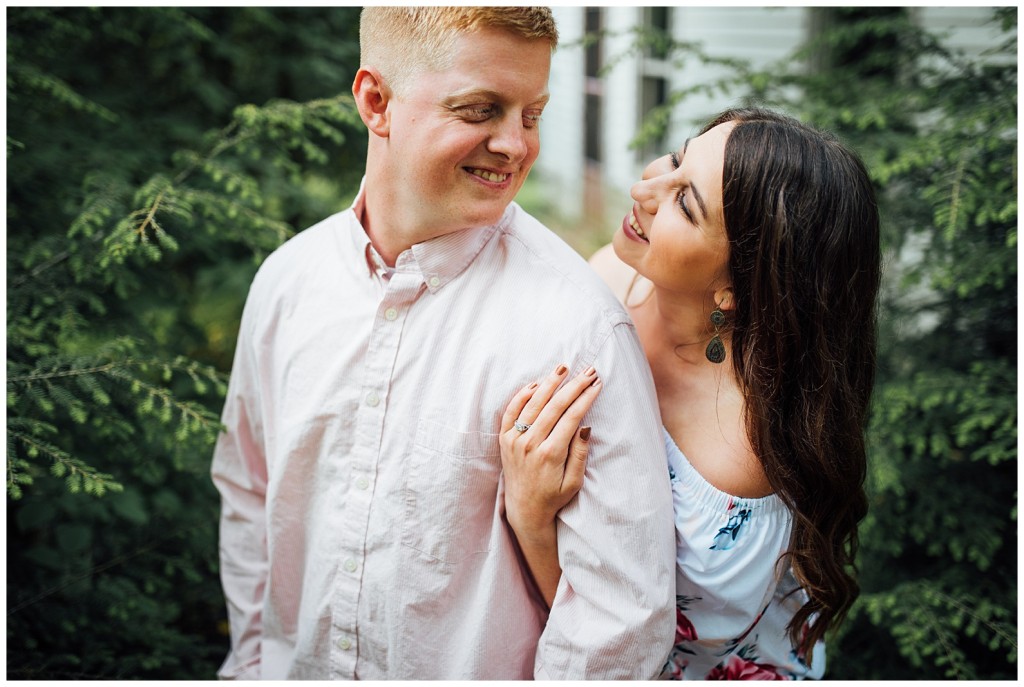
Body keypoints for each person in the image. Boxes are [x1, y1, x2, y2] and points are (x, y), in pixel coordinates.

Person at [210, 6, 676, 680]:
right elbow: (250, 498)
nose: (515, 145)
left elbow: (619, 622)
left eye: (531, 115)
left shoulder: (579, 329)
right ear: (376, 101)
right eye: (481, 109)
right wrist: (253, 665)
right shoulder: (286, 284)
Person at [500, 107, 881, 679]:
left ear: (736, 286)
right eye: (677, 159)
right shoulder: (615, 278)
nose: (644, 189)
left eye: (685, 202)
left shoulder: (735, 459)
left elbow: (635, 649)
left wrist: (531, 516)